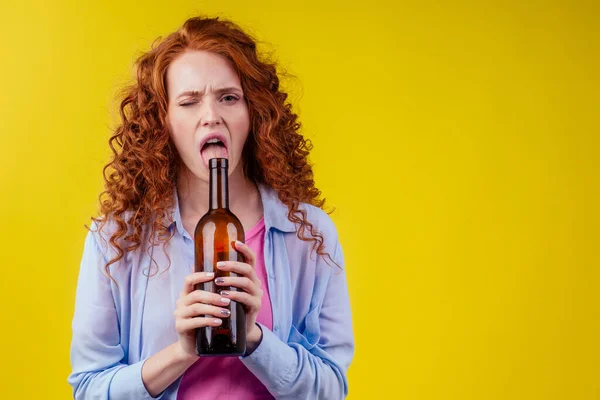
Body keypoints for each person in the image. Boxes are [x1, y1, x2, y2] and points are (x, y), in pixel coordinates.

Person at [68, 15, 354, 400]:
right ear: (162, 122)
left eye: (229, 97)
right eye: (188, 101)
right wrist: (182, 351)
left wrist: (254, 340)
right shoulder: (115, 240)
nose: (211, 116)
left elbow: (331, 389)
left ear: (254, 113)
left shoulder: (310, 234)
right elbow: (88, 390)